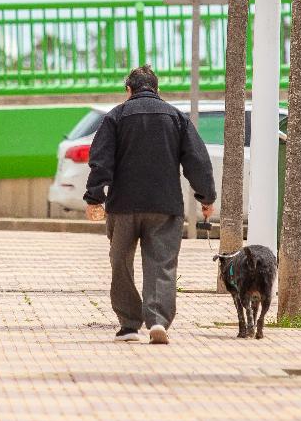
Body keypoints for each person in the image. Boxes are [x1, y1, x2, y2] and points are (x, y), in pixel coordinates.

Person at [84, 65, 216, 345]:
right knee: (162, 264)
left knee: (120, 262)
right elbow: (198, 160)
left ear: (128, 90)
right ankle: (157, 320)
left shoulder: (116, 117)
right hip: (164, 205)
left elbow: (101, 160)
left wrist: (95, 196)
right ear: (157, 89)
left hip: (124, 206)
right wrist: (206, 197)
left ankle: (129, 324)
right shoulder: (176, 117)